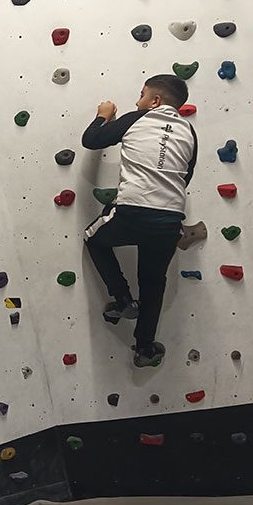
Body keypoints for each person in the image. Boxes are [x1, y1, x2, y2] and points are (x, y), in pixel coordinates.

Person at [81, 75, 198, 368]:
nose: (137, 101)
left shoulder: (137, 118)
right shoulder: (189, 131)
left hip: (133, 211)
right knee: (153, 282)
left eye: (142, 94)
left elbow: (91, 140)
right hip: (170, 218)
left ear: (155, 101)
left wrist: (103, 116)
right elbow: (186, 175)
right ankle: (145, 348)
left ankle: (122, 299)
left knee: (93, 239)